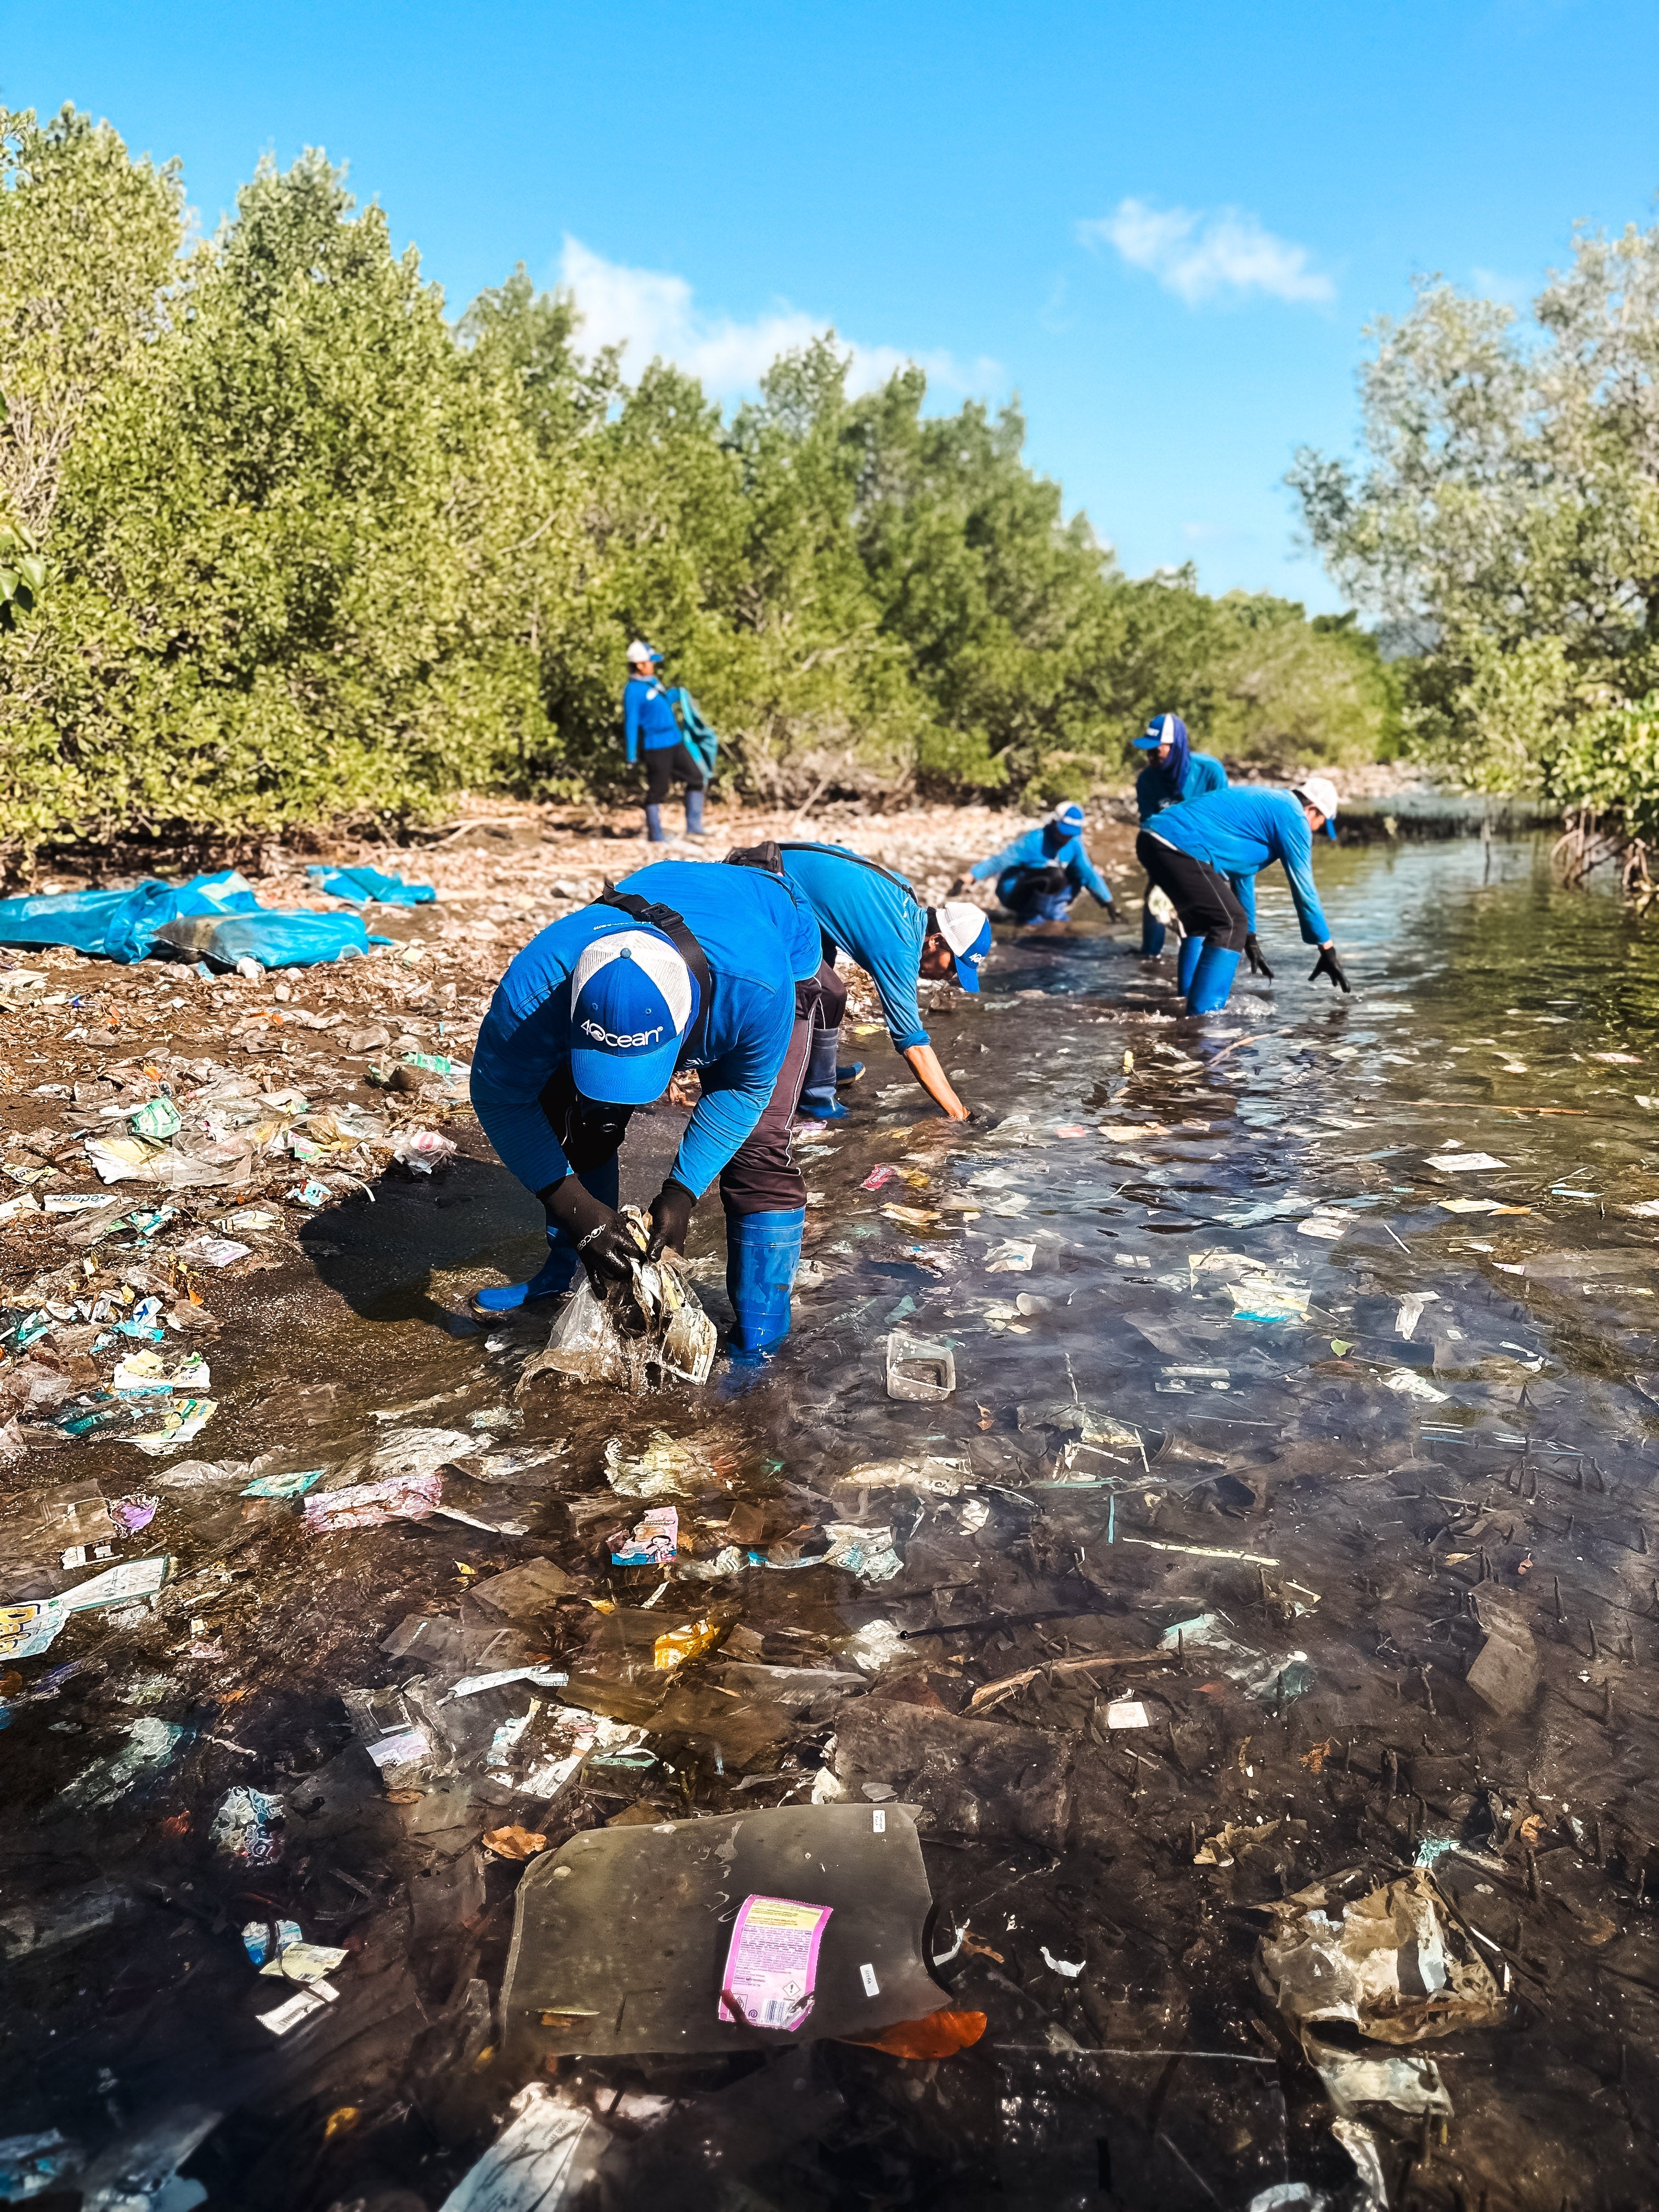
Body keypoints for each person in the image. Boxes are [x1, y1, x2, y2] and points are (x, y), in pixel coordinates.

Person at [469, 856, 822, 1362]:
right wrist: (579, 1212)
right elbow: (500, 1098)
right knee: (585, 1120)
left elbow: (743, 1092)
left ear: (688, 1022)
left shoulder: (757, 988)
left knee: (759, 1150)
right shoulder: (537, 990)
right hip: (655, 916)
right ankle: (564, 1271)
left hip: (774, 935)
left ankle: (760, 1341)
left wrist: (682, 1193)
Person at [777, 842, 992, 1122]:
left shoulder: (904, 894)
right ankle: (813, 1096)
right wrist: (961, 1114)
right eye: (953, 966)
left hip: (781, 869)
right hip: (765, 884)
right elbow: (912, 1044)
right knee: (829, 993)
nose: (949, 978)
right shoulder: (899, 949)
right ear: (936, 941)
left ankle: (816, 1068)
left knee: (824, 964)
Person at [1135, 776, 1350, 1015]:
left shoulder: (1268, 804)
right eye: (1320, 824)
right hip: (1178, 844)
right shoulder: (1294, 816)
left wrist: (1250, 937)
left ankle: (1185, 1004)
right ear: (1312, 810)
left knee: (1202, 925)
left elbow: (1242, 875)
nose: (1315, 831)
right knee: (1230, 923)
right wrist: (1327, 948)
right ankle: (1204, 1019)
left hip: (1151, 839)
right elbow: (1304, 888)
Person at [1131, 712, 1228, 955]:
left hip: (1207, 854)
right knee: (1153, 902)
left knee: (1208, 919)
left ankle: (1208, 959)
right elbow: (1149, 828)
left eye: (1157, 749)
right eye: (1148, 750)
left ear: (1176, 747)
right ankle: (1149, 959)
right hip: (1169, 853)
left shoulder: (1210, 771)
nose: (1150, 756)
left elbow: (1223, 822)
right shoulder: (1146, 780)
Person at [957, 802, 1117, 925]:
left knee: (1076, 875)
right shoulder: (1034, 841)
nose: (1065, 839)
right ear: (1054, 823)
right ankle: (1032, 919)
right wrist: (970, 877)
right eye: (1063, 833)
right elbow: (1000, 861)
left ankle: (1054, 914)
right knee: (1054, 875)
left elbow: (1088, 873)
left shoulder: (1074, 845)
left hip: (1046, 891)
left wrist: (1108, 903)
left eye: (1070, 835)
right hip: (1014, 893)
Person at [623, 640, 706, 844]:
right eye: (649, 662)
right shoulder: (633, 690)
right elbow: (631, 722)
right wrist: (631, 755)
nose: (653, 665)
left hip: (675, 741)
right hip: (656, 747)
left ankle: (694, 827)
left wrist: (675, 695)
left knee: (696, 777)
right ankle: (656, 836)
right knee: (658, 791)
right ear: (639, 665)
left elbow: (661, 704)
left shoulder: (652, 681)